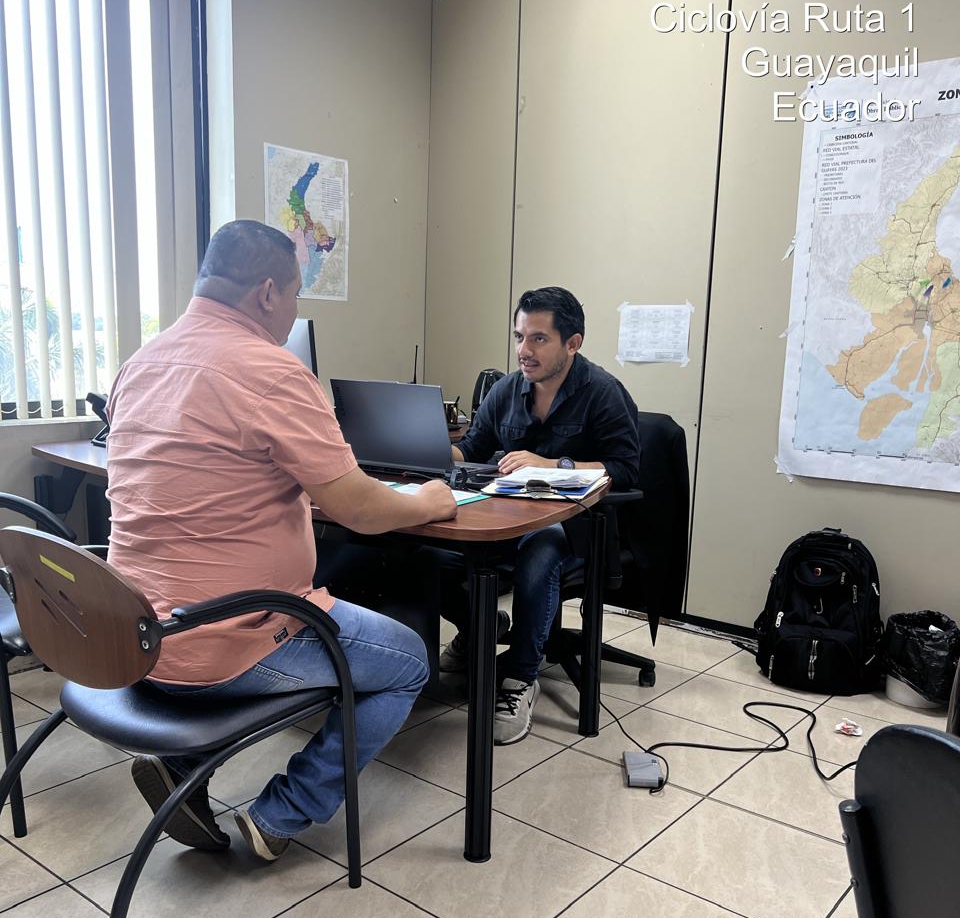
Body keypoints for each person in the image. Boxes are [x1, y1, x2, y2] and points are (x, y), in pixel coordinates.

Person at [106, 220, 456, 862]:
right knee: (408, 662)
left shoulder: (140, 363)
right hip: (227, 641)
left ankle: (183, 768)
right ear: (268, 292)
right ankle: (280, 814)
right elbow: (358, 509)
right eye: (295, 296)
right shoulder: (271, 371)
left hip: (136, 636)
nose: (293, 312)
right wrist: (428, 500)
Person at [442, 286, 640, 744]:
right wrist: (423, 446)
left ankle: (519, 679)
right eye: (519, 337)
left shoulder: (603, 393)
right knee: (430, 548)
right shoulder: (507, 390)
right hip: (505, 516)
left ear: (573, 343)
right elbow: (472, 449)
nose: (523, 351)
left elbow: (627, 469)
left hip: (578, 527)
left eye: (538, 339)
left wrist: (554, 465)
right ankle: (478, 630)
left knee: (541, 547)